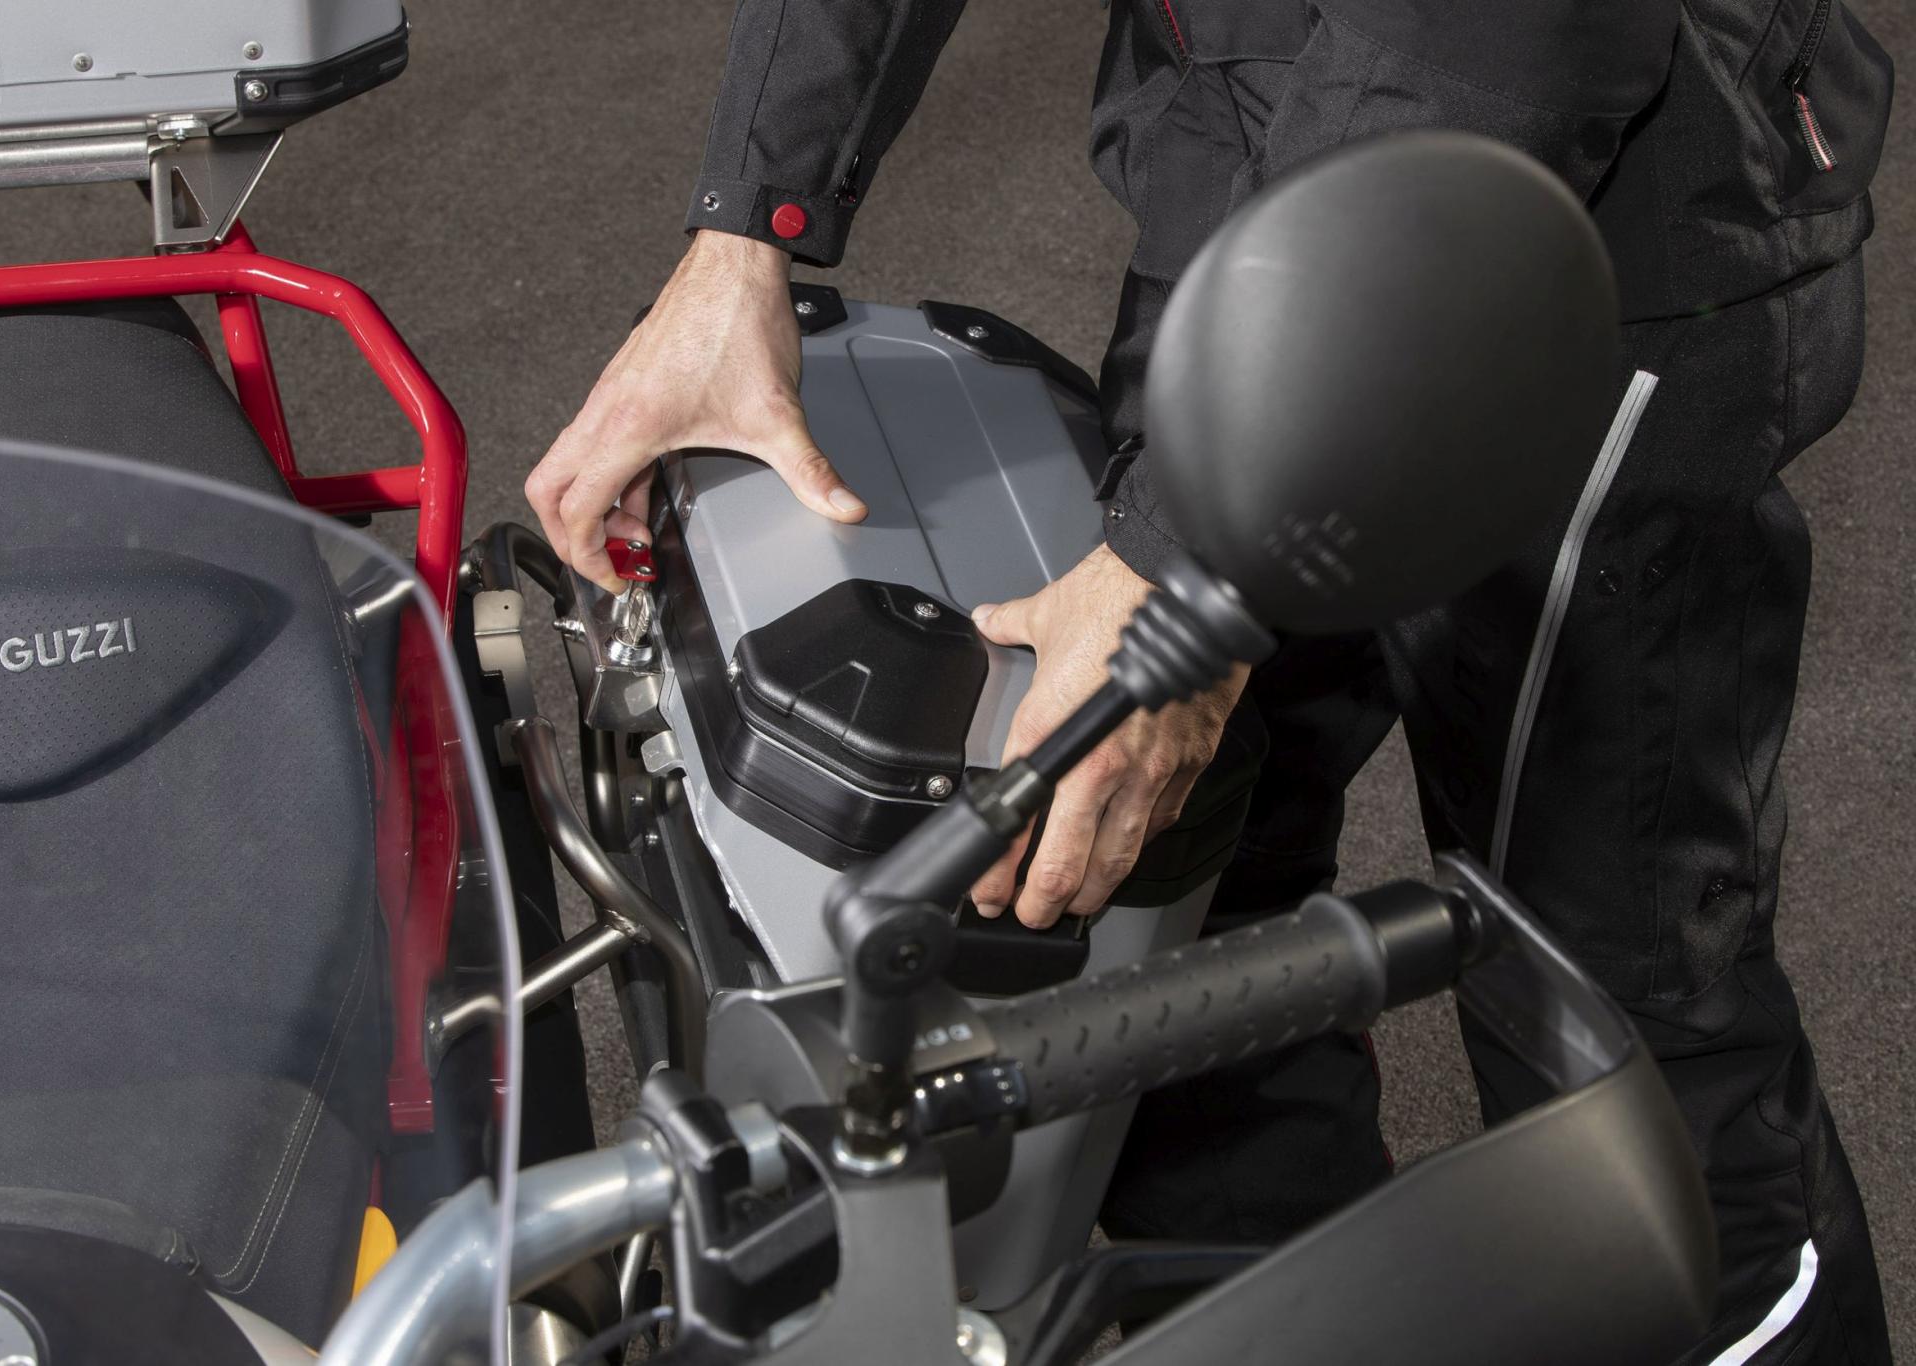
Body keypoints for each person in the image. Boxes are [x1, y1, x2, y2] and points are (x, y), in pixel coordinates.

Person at [528, 2, 1895, 1360]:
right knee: (1163, 920)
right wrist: (746, 231)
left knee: (1608, 1008)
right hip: (1258, 167)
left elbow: (1502, 39)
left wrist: (1185, 559)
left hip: (1588, 261)